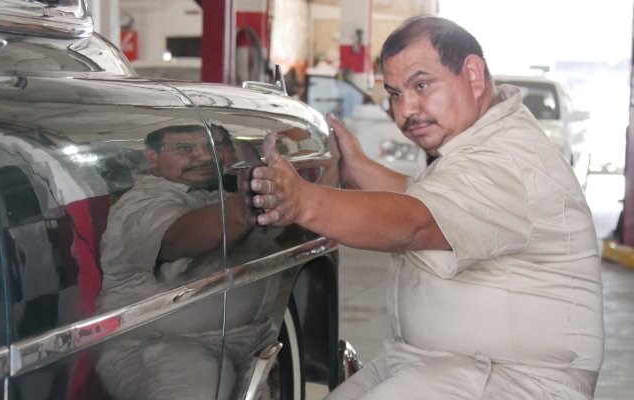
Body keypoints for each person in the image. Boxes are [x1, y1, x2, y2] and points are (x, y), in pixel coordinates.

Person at [249, 15, 604, 400]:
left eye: (421, 85)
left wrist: (303, 201)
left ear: (472, 74)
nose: (405, 111)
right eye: (396, 94)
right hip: (443, 362)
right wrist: (360, 169)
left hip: (515, 378)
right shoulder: (477, 141)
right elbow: (432, 198)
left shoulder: (510, 160)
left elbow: (415, 224)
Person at [94, 123, 272, 399]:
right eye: (185, 148)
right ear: (152, 157)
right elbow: (177, 237)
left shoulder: (218, 193)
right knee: (200, 384)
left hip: (243, 342)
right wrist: (244, 208)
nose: (205, 156)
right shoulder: (141, 201)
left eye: (216, 146)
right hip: (159, 348)